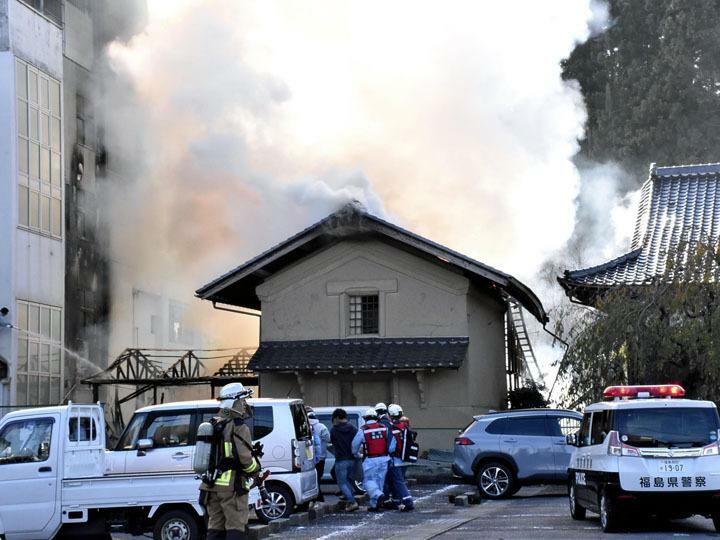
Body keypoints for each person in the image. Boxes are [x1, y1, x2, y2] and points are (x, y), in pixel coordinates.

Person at [200, 382, 260, 540]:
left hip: (210, 486)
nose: (244, 404)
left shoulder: (214, 423)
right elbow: (245, 459)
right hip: (231, 487)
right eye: (242, 401)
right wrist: (255, 469)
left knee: (215, 527)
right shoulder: (238, 426)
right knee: (236, 527)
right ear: (234, 402)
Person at [352, 408, 396, 512]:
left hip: (370, 460)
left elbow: (354, 445)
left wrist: (356, 454)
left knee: (367, 481)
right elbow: (392, 446)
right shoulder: (384, 428)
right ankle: (374, 505)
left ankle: (378, 495)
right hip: (384, 459)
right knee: (379, 482)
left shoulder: (363, 430)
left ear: (366, 418)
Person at [329, 408, 360, 512]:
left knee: (342, 482)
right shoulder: (353, 428)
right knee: (348, 480)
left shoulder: (334, 430)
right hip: (352, 459)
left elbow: (332, 442)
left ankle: (352, 501)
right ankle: (349, 497)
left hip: (341, 459)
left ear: (337, 417)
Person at [387, 403, 414, 511]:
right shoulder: (405, 427)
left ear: (390, 415)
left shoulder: (392, 428)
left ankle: (408, 501)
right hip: (406, 458)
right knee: (399, 479)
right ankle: (396, 501)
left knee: (398, 481)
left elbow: (391, 447)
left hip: (396, 459)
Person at [306, 406, 330, 502]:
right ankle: (319, 497)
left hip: (308, 458)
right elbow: (328, 439)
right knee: (318, 477)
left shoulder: (303, 427)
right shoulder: (322, 427)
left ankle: (316, 497)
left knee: (311, 479)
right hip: (321, 458)